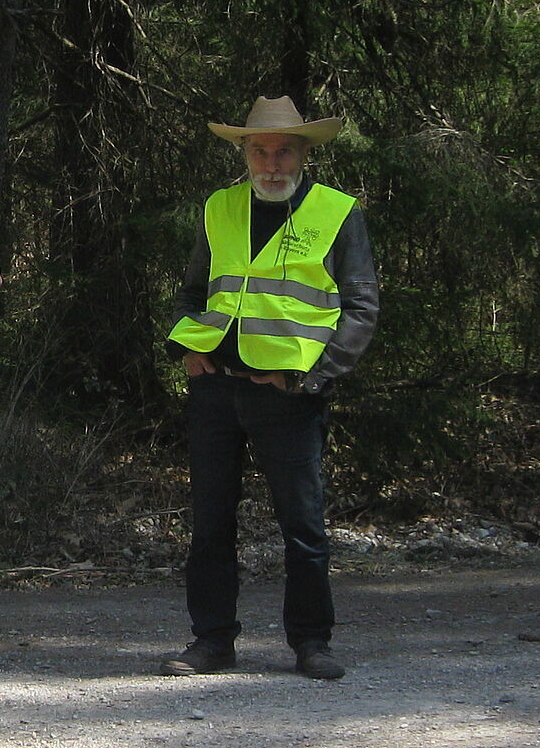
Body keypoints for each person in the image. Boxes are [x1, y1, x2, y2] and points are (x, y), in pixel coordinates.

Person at [162, 97, 379, 681]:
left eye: (285, 150)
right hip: (216, 391)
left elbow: (361, 309)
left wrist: (311, 376)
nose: (272, 162)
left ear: (305, 153)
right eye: (260, 150)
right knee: (210, 523)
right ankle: (211, 641)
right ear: (244, 153)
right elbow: (194, 291)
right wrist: (189, 348)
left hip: (290, 395)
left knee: (302, 524)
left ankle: (312, 642)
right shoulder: (220, 207)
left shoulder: (337, 212)